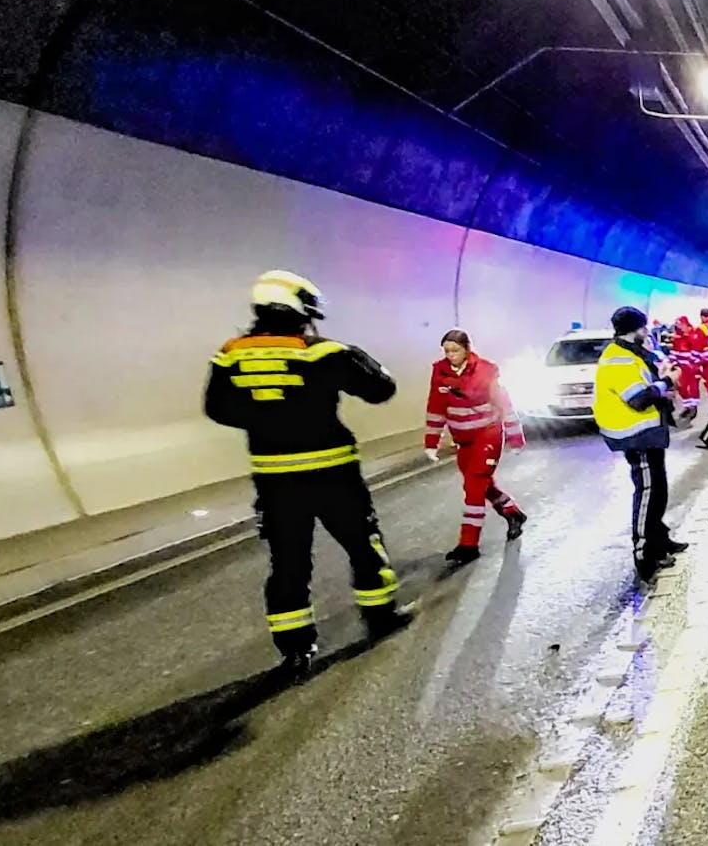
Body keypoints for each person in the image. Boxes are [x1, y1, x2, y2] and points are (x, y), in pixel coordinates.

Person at [205, 270, 411, 677]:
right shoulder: (322, 352)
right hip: (333, 474)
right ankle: (380, 616)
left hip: (275, 481)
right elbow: (380, 389)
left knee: (288, 563)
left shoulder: (229, 355)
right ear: (299, 308)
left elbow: (218, 408)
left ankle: (296, 649)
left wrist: (267, 422)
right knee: (363, 546)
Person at [594, 306, 688, 579]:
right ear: (635, 329)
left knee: (658, 489)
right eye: (644, 329)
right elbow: (637, 399)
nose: (647, 333)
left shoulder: (632, 354)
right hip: (635, 435)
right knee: (647, 492)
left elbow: (648, 385)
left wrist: (663, 385)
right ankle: (644, 553)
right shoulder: (618, 359)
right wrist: (667, 382)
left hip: (648, 433)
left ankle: (660, 540)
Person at [424, 329, 528, 567]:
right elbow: (436, 408)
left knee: (474, 486)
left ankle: (468, 545)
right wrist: (431, 442)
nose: (450, 355)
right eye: (447, 351)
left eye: (455, 350)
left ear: (467, 349)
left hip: (487, 435)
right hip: (464, 439)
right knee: (482, 485)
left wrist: (515, 436)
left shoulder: (486, 371)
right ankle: (512, 512)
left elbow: (504, 404)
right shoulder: (439, 372)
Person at [669, 314, 705, 418]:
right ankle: (687, 406)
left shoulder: (693, 335)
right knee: (681, 387)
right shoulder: (678, 337)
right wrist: (673, 362)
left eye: (679, 325)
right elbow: (674, 351)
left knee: (693, 387)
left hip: (692, 367)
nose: (678, 327)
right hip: (681, 367)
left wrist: (694, 364)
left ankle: (694, 407)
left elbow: (698, 351)